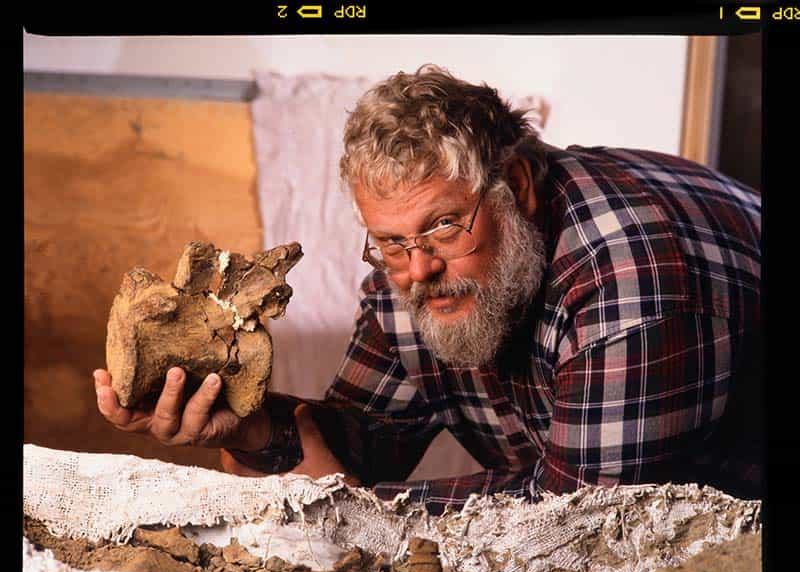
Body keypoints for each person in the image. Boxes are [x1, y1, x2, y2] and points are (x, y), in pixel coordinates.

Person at [94, 65, 762, 514]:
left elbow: (575, 526)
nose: (417, 271)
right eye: (389, 241)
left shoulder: (630, 287)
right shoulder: (411, 274)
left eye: (444, 226)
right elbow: (364, 443)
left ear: (518, 190)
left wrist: (360, 514)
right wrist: (250, 427)